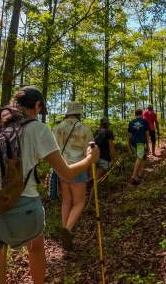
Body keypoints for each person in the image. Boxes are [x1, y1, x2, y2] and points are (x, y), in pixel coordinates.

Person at [0, 87, 99, 284]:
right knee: (36, 247)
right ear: (37, 105)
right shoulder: (37, 128)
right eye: (40, 109)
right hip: (22, 210)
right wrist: (90, 159)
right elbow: (67, 172)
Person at [52, 102, 94, 250]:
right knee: (79, 202)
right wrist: (89, 168)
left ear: (68, 112)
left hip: (62, 168)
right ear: (79, 113)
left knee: (66, 201)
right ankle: (68, 229)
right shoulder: (85, 129)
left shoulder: (58, 128)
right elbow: (89, 150)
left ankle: (64, 227)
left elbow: (53, 149)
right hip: (78, 167)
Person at [128, 109, 150, 185]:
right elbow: (147, 134)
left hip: (133, 142)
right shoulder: (144, 121)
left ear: (135, 114)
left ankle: (140, 174)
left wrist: (129, 146)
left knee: (143, 157)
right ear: (142, 114)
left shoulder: (131, 122)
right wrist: (148, 145)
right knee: (139, 157)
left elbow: (129, 135)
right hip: (140, 142)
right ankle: (134, 176)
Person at [93, 117, 118, 184]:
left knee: (103, 178)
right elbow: (111, 147)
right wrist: (115, 160)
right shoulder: (109, 132)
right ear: (107, 124)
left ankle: (106, 193)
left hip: (95, 158)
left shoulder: (96, 131)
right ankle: (92, 194)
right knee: (97, 181)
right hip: (105, 159)